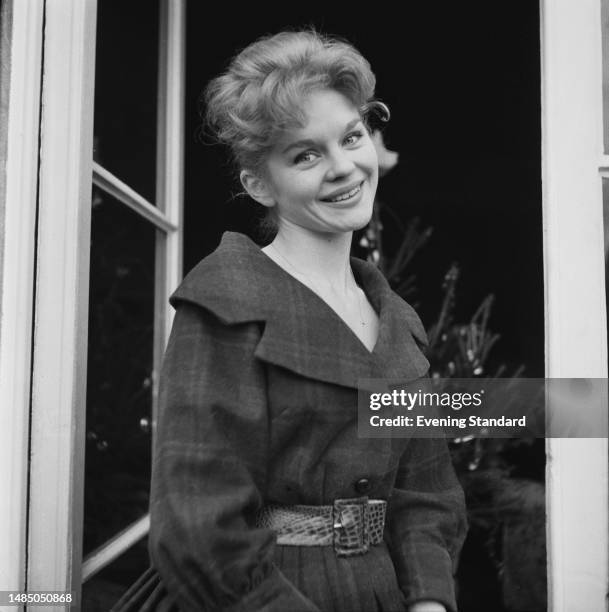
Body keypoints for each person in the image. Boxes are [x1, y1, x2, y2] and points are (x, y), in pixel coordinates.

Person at [146, 30, 467, 612]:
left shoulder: (399, 320)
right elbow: (198, 530)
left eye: (351, 136)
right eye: (306, 154)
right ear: (258, 183)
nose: (344, 167)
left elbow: (428, 496)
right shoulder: (226, 301)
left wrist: (429, 602)